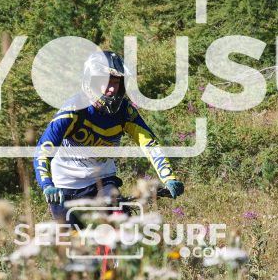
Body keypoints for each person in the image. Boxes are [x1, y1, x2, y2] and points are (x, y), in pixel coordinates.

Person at [33, 50, 184, 226]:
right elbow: (43, 150)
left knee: (125, 229)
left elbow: (149, 144)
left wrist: (169, 178)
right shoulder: (73, 111)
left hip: (103, 183)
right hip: (66, 186)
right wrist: (47, 185)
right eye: (106, 82)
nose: (112, 89)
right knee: (71, 241)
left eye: (116, 83)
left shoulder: (124, 112)